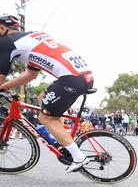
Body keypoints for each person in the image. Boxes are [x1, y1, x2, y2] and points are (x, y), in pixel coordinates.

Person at [0, 13, 94, 173]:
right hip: (83, 76)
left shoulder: (6, 42)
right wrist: (4, 87)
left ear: (2, 28)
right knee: (47, 103)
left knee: (45, 118)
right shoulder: (32, 38)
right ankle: (66, 145)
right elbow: (31, 74)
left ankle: (79, 157)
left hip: (69, 79)